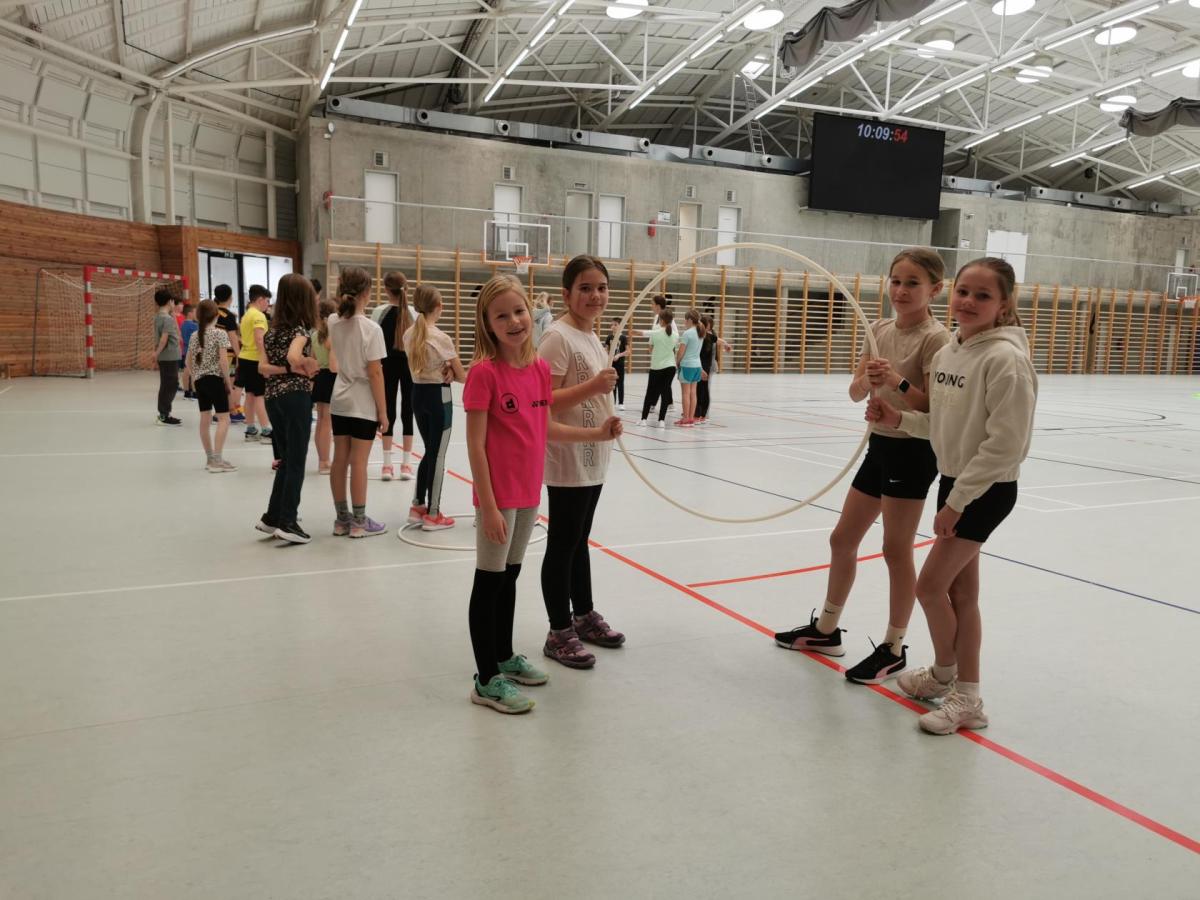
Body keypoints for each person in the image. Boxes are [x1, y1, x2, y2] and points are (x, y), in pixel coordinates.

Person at [866, 257, 1037, 734]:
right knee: (962, 593)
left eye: (983, 295)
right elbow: (942, 424)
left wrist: (958, 501)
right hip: (956, 481)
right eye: (964, 291)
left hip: (985, 489)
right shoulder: (951, 353)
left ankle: (958, 687)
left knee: (929, 587)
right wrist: (899, 419)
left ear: (1004, 304)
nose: (969, 301)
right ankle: (956, 684)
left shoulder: (1005, 360)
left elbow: (1006, 446)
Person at [773, 248, 951, 687]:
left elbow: (934, 407)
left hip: (913, 452)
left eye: (912, 283)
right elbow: (855, 392)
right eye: (896, 281)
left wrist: (895, 382)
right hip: (879, 446)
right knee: (842, 538)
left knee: (895, 549)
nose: (901, 290)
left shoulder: (937, 339)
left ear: (934, 289)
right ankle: (827, 630)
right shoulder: (879, 329)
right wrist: (868, 382)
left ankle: (893, 647)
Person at [464, 274, 622, 713]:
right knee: (489, 582)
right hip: (498, 499)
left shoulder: (536, 370)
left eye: (519, 311)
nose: (514, 321)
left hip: (528, 495)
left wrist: (596, 434)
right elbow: (475, 445)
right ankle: (485, 679)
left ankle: (503, 656)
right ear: (488, 323)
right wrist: (489, 506)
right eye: (502, 316)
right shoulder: (483, 374)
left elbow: (545, 428)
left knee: (509, 578)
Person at [539, 255, 625, 670]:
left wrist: (608, 419)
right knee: (563, 542)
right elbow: (543, 403)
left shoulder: (591, 336)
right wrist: (593, 387)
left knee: (579, 538)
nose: (595, 296)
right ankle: (559, 631)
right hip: (567, 456)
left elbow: (592, 395)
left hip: (593, 454)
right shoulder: (557, 337)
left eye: (601, 288)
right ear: (567, 294)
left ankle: (583, 614)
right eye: (586, 288)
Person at [255, 275, 320, 544]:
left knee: (285, 458)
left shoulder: (271, 333)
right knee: (296, 461)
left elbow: (262, 368)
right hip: (295, 398)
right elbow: (294, 357)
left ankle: (272, 516)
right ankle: (288, 521)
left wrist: (285, 368)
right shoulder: (300, 332)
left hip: (273, 398)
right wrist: (305, 364)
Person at [328, 266, 388, 538]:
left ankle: (342, 520)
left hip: (339, 400)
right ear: (367, 292)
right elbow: (375, 373)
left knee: (339, 460)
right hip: (362, 404)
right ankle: (360, 522)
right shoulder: (372, 329)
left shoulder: (333, 321)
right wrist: (383, 412)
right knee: (359, 463)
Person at [403, 284, 466, 531]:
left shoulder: (409, 334)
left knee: (430, 451)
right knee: (437, 455)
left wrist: (448, 369)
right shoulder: (441, 337)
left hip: (417, 394)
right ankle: (433, 513)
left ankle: (417, 505)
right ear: (439, 307)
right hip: (438, 396)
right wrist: (451, 370)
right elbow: (462, 376)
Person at [373, 271, 415, 482]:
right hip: (409, 367)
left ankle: (387, 465)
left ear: (386, 289)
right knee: (408, 411)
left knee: (387, 411)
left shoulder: (379, 312)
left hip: (386, 367)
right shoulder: (414, 313)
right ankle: (406, 464)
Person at [185, 299, 236, 472]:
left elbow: (188, 361)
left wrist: (195, 378)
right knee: (224, 419)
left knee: (205, 419)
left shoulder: (194, 335)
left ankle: (210, 459)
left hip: (200, 382)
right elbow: (223, 361)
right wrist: (228, 382)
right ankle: (217, 460)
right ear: (216, 315)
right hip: (215, 380)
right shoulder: (219, 334)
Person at [236, 285, 272, 442]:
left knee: (250, 395)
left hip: (245, 358)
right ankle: (266, 431)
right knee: (260, 395)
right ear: (260, 299)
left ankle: (250, 430)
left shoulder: (246, 315)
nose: (268, 305)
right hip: (255, 359)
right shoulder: (258, 316)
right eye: (267, 301)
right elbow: (259, 339)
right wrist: (264, 360)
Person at [636, 308, 677, 428]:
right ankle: (661, 421)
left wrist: (634, 332)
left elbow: (645, 335)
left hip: (657, 367)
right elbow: (673, 349)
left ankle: (643, 419)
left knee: (650, 393)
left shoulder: (656, 331)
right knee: (665, 393)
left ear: (662, 320)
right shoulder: (675, 335)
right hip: (671, 367)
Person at [310, 299, 338, 475]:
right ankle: (324, 461)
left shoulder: (315, 335)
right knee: (327, 422)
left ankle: (322, 459)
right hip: (330, 378)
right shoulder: (331, 337)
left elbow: (313, 359)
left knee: (321, 420)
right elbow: (334, 366)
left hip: (320, 377)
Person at [213, 284, 244, 422]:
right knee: (229, 383)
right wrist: (240, 355)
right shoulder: (229, 316)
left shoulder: (212, 312)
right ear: (230, 297)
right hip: (228, 354)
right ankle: (229, 412)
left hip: (213, 352)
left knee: (219, 383)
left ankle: (221, 411)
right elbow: (232, 338)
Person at [695, 313, 731, 425]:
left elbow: (718, 340)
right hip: (701, 365)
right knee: (700, 390)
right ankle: (700, 413)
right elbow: (719, 341)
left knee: (702, 390)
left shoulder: (708, 336)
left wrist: (726, 344)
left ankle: (702, 414)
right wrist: (726, 344)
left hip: (705, 366)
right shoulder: (701, 335)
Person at [153, 289, 181, 425]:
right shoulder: (167, 319)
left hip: (167, 356)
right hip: (169, 356)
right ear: (170, 301)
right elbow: (164, 339)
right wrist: (156, 353)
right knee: (170, 385)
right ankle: (164, 415)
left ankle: (164, 413)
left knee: (168, 384)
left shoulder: (159, 317)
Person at [674, 309, 703, 427]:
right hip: (697, 366)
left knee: (685, 393)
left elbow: (681, 352)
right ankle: (691, 418)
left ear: (690, 320)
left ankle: (685, 418)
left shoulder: (687, 333)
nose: (684, 322)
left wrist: (677, 362)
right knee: (693, 393)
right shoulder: (701, 332)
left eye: (685, 320)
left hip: (687, 365)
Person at [602, 317, 629, 410]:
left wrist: (619, 355)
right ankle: (612, 402)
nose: (613, 326)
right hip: (611, 364)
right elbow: (606, 349)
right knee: (612, 383)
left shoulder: (623, 337)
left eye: (615, 325)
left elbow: (628, 351)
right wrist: (606, 355)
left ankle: (621, 403)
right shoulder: (609, 337)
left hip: (620, 364)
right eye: (612, 325)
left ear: (620, 326)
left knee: (620, 383)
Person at [179, 304, 197, 399]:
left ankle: (186, 391)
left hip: (185, 350)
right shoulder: (194, 326)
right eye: (195, 312)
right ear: (190, 313)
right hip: (193, 351)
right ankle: (195, 392)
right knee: (193, 372)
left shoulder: (183, 325)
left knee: (186, 371)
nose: (196, 314)